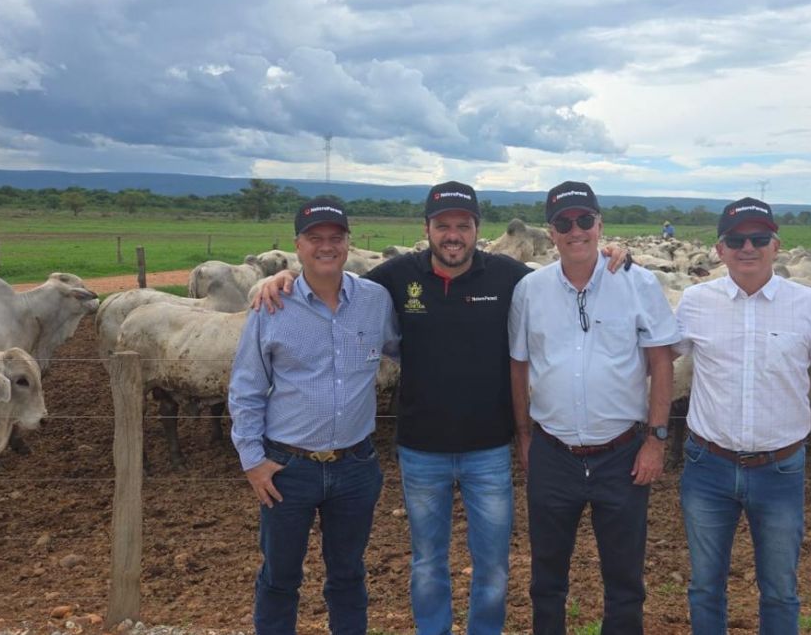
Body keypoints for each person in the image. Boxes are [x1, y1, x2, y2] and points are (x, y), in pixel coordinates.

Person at [255, 182, 630, 635]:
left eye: (463, 226)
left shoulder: (510, 277)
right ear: (427, 229)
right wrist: (285, 279)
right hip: (421, 451)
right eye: (442, 226)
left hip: (489, 450)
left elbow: (571, 269)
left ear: (477, 230)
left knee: (492, 566)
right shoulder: (394, 278)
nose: (453, 235)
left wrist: (614, 252)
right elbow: (333, 282)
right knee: (428, 562)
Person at [673, 197, 811, 634]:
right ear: (719, 249)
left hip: (779, 469)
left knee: (779, 589)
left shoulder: (810, 305)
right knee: (705, 586)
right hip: (708, 466)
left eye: (759, 238)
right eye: (736, 239)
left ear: (776, 245)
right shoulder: (695, 302)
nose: (748, 247)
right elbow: (660, 360)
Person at [509, 181, 679, 634]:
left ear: (600, 225)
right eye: (564, 223)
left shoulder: (638, 282)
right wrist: (524, 436)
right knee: (546, 577)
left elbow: (662, 361)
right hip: (552, 452)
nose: (575, 230)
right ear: (551, 233)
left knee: (625, 578)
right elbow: (519, 363)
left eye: (585, 220)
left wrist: (656, 441)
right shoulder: (530, 289)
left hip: (621, 454)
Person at [228, 198, 399, 635]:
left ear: (348, 242)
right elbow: (246, 387)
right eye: (315, 238)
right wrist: (252, 459)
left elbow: (411, 348)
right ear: (297, 245)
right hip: (288, 468)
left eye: (335, 238)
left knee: (348, 574)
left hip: (356, 465)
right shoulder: (272, 305)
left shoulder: (375, 300)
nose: (327, 246)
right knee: (280, 577)